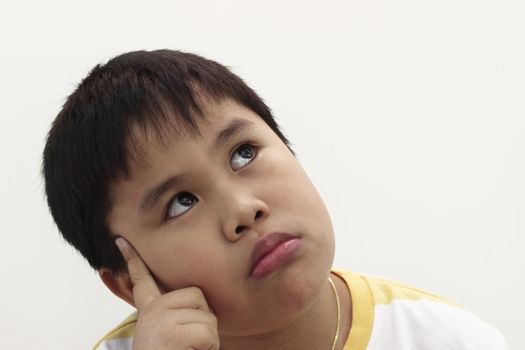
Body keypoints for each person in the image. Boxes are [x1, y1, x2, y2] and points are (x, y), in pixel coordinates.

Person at [43, 50, 508, 350]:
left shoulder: (446, 339)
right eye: (181, 202)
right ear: (129, 283)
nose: (244, 209)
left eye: (244, 154)